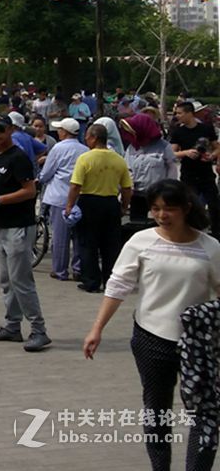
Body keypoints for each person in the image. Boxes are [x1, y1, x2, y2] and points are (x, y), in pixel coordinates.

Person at [83, 180, 220, 470]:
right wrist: (97, 328)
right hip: (151, 338)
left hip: (198, 344)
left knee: (205, 414)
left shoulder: (210, 247)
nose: (161, 215)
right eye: (156, 209)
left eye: (168, 209)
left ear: (186, 208)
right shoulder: (141, 241)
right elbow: (118, 286)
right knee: (157, 411)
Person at [0, 114, 51, 352]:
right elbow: (2, 186)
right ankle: (12, 325)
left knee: (22, 281)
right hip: (1, 226)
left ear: (11, 130)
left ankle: (39, 330)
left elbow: (29, 191)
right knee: (7, 280)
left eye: (0, 130)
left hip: (19, 227)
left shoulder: (18, 157)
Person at [67, 123, 133, 294]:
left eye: (87, 137)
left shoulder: (85, 158)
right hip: (111, 203)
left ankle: (91, 281)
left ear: (94, 138)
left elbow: (75, 186)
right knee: (110, 245)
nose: (86, 140)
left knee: (88, 244)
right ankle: (110, 280)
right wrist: (124, 207)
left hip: (89, 202)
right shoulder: (118, 159)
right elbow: (127, 188)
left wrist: (69, 206)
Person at [38, 118, 88, 281]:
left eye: (60, 129)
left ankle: (60, 270)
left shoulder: (58, 148)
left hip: (59, 197)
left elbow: (46, 173)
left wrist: (39, 178)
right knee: (79, 236)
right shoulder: (85, 149)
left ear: (64, 132)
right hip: (79, 197)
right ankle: (78, 268)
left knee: (60, 237)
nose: (57, 132)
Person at [170, 101, 220, 238]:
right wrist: (186, 153)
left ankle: (216, 234)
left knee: (214, 206)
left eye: (180, 113)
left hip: (206, 174)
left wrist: (212, 156)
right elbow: (171, 153)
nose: (177, 116)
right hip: (188, 175)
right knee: (189, 206)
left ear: (189, 113)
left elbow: (217, 147)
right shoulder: (178, 132)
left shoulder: (206, 129)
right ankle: (191, 232)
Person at [121, 113, 178, 221]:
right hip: (137, 195)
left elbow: (172, 168)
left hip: (158, 195)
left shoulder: (164, 146)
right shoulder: (132, 148)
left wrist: (168, 189)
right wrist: (129, 187)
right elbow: (128, 169)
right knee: (137, 224)